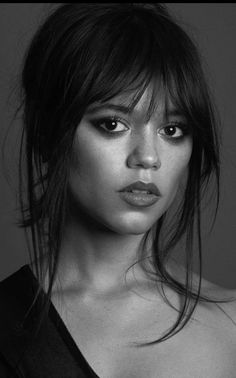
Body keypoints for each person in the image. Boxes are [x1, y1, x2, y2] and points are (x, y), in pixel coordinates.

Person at [0, 3, 236, 377]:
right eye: (113, 124)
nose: (148, 158)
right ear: (48, 132)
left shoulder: (231, 325)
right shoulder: (7, 321)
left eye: (172, 130)